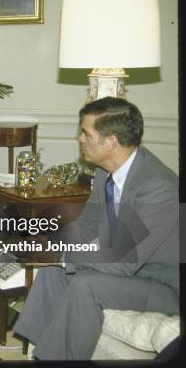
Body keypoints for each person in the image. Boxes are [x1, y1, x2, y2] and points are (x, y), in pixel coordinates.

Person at [13, 97, 179, 359]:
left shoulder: (158, 188)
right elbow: (87, 225)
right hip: (127, 268)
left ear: (111, 141)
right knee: (52, 273)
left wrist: (59, 255)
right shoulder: (105, 172)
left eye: (85, 133)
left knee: (85, 285)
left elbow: (123, 261)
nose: (79, 139)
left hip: (162, 285)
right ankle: (41, 354)